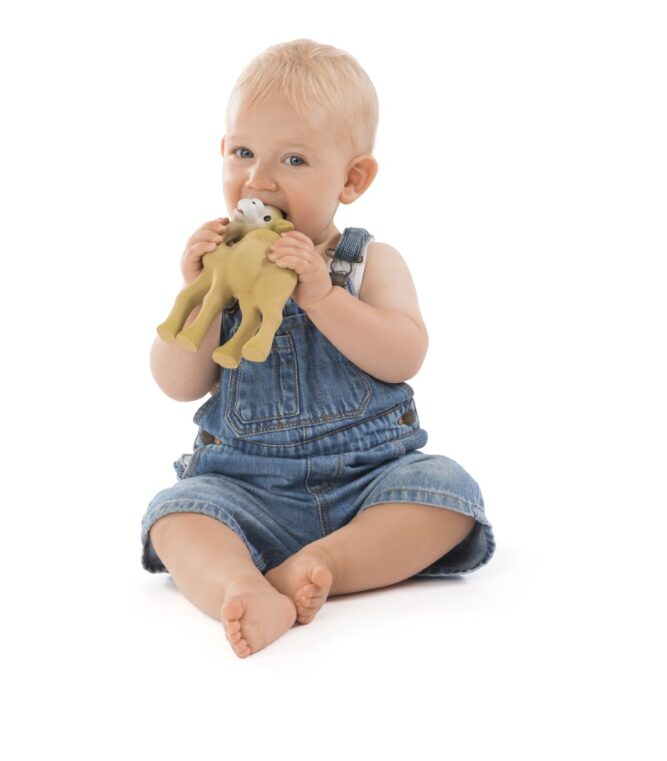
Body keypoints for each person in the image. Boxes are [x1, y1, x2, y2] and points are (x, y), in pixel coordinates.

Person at [142, 39, 495, 658]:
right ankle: (242, 585)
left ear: (352, 178)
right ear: (223, 153)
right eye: (244, 153)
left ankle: (325, 561)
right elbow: (176, 381)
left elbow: (404, 354)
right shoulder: (224, 268)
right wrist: (195, 292)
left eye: (295, 159)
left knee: (449, 492)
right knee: (177, 513)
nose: (259, 179)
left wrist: (324, 296)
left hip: (370, 481)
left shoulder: (368, 263)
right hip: (246, 488)